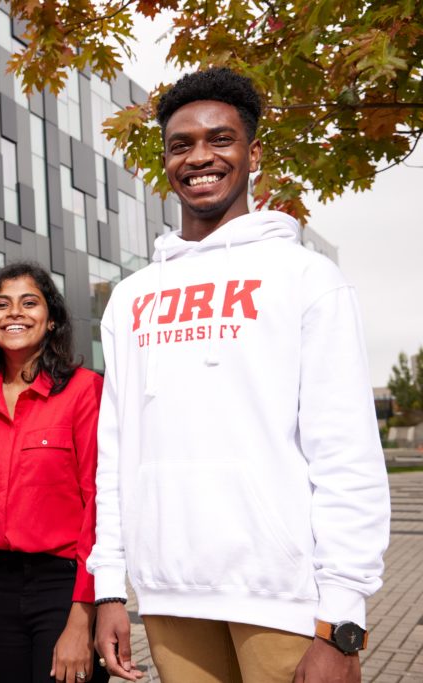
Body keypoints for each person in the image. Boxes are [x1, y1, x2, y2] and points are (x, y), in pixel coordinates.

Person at [86, 67, 390, 683]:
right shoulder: (132, 296)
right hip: (170, 594)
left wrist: (342, 621)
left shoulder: (306, 277)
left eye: (220, 139)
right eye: (181, 144)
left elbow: (346, 453)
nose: (200, 157)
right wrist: (109, 587)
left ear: (253, 153)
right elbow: (115, 452)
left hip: (282, 598)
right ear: (166, 161)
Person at [0, 262, 108, 683]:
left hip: (63, 584)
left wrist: (82, 617)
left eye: (29, 303)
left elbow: (98, 504)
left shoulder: (83, 391)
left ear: (52, 318)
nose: (14, 313)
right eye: (1, 304)